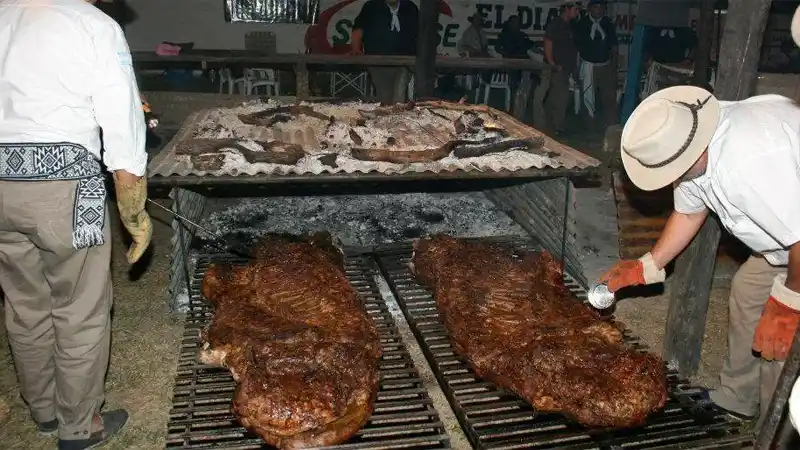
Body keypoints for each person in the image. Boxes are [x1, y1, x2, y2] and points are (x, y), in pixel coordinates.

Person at [599, 84, 800, 427]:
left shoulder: (748, 162)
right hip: (786, 238)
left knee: (782, 344)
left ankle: (776, 430)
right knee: (748, 291)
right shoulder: (688, 147)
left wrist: (789, 303)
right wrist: (648, 264)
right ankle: (737, 398)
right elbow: (690, 213)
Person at [0, 0, 153, 449]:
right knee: (79, 308)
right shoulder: (91, 23)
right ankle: (79, 427)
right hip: (64, 185)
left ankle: (44, 411)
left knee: (24, 303)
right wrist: (133, 210)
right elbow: (121, 120)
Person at [350, 0, 419, 105]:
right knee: (385, 95)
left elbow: (421, 32)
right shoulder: (371, 6)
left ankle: (395, 117)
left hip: (404, 61)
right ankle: (388, 116)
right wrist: (355, 49)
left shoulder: (410, 7)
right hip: (377, 61)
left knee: (398, 95)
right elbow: (358, 29)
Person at [574, 0, 619, 128]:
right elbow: (576, 48)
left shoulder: (607, 23)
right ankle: (588, 124)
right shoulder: (582, 24)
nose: (598, 10)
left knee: (609, 96)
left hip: (605, 65)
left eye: (601, 7)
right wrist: (577, 68)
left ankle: (612, 123)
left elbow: (614, 46)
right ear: (590, 9)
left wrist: (614, 66)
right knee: (587, 96)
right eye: (596, 7)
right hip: (588, 65)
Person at [543, 1, 581, 135]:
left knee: (559, 96)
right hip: (557, 67)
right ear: (566, 9)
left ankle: (553, 125)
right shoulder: (556, 24)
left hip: (567, 67)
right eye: (575, 9)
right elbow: (548, 43)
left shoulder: (570, 26)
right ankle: (557, 127)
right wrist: (552, 63)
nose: (577, 12)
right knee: (560, 96)